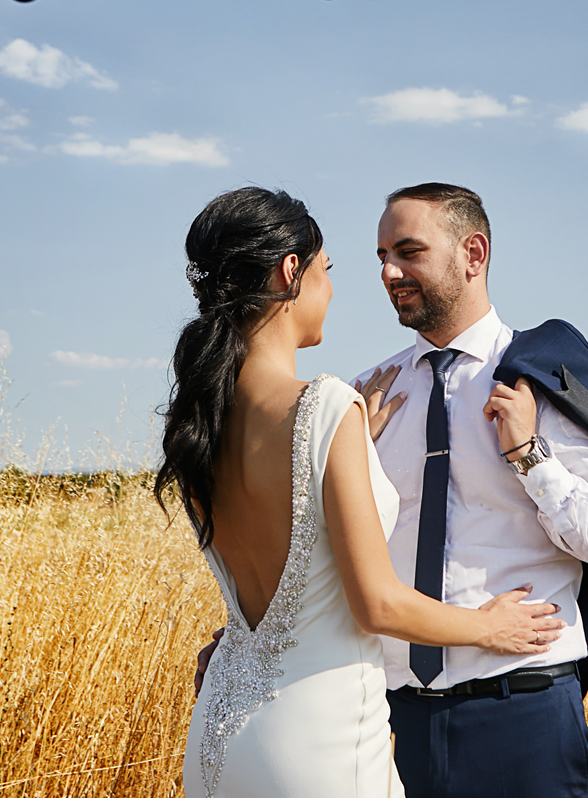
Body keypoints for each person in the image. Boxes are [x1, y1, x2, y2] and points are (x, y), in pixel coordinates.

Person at [158, 187, 565, 798]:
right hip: (316, 739)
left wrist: (350, 449)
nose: (334, 288)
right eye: (328, 269)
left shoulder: (201, 421)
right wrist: (487, 627)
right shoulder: (323, 406)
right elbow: (377, 603)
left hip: (220, 729)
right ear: (290, 271)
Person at [352, 182, 588, 797]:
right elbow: (342, 558)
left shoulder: (546, 383)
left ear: (474, 253)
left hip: (525, 716)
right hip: (396, 726)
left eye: (408, 251)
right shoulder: (368, 398)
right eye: (381, 255)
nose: (388, 271)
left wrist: (530, 457)